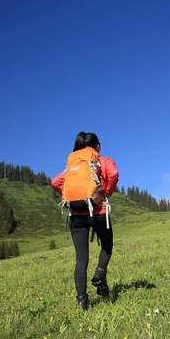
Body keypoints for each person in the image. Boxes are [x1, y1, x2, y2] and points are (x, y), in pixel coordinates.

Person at [51, 132, 119, 310]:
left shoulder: (73, 164)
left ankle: (82, 299)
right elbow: (113, 173)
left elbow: (56, 182)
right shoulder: (102, 160)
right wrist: (105, 192)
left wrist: (74, 197)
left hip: (77, 215)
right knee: (106, 246)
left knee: (81, 259)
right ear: (97, 147)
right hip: (98, 212)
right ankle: (100, 272)